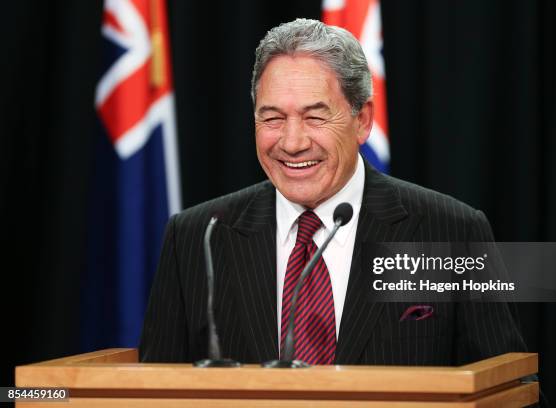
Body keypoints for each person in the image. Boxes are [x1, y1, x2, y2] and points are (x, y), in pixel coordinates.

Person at [139, 18, 528, 366]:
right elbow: (150, 393)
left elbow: (509, 390)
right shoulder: (197, 236)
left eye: (315, 117)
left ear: (362, 121)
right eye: (272, 118)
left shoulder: (449, 233)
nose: (291, 143)